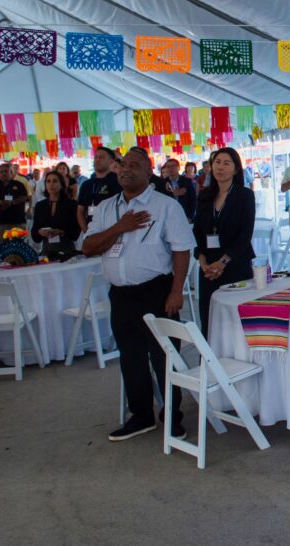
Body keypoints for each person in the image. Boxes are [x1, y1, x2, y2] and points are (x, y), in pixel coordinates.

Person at [83, 147, 193, 442]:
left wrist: (176, 291)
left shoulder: (166, 206)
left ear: (148, 172)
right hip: (120, 295)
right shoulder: (107, 208)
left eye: (135, 165)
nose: (126, 169)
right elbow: (89, 247)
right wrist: (120, 227)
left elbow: (182, 249)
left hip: (156, 292)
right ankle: (141, 415)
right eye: (123, 165)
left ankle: (172, 415)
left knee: (164, 356)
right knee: (130, 357)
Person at [192, 148, 256, 337]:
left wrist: (223, 262)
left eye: (226, 163)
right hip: (208, 268)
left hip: (235, 264)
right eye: (217, 162)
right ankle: (210, 363)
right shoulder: (204, 196)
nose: (220, 167)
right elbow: (197, 232)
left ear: (236, 169)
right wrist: (202, 261)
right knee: (209, 319)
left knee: (236, 320)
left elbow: (245, 235)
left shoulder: (244, 195)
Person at [31, 171, 81, 257]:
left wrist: (61, 232)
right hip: (46, 252)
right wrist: (40, 232)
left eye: (55, 181)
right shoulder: (40, 206)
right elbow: (34, 233)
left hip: (67, 252)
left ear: (61, 184)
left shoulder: (72, 205)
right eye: (48, 181)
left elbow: (76, 232)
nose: (51, 184)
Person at [77, 147, 123, 234]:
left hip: (114, 229)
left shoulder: (119, 181)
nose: (97, 160)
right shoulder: (86, 184)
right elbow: (80, 210)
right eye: (96, 157)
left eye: (101, 157)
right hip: (92, 229)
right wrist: (86, 231)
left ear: (111, 162)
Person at [0, 163, 29, 238]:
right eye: (1, 172)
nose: (3, 174)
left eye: (6, 171)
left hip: (17, 221)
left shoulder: (19, 185)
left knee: (18, 247)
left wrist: (12, 202)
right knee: (1, 247)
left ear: (11, 173)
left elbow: (24, 197)